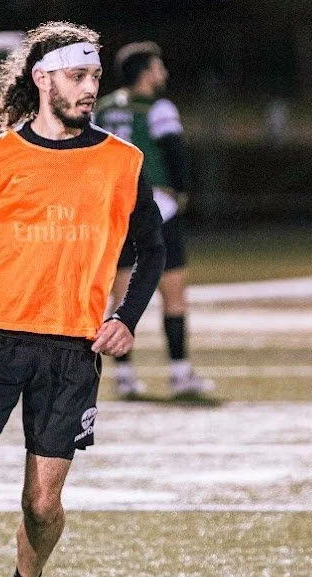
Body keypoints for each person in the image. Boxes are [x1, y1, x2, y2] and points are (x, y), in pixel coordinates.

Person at [0, 22, 166, 577]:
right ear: (43, 78)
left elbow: (154, 249)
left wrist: (127, 317)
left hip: (72, 351)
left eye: (95, 76)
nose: (90, 88)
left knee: (42, 505)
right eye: (78, 76)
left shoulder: (123, 162)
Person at [93, 41, 214, 399]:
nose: (164, 73)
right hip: (156, 205)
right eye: (159, 67)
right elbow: (175, 150)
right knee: (173, 293)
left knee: (119, 295)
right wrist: (182, 190)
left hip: (116, 209)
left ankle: (124, 375)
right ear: (146, 73)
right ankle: (179, 372)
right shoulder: (158, 107)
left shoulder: (103, 107)